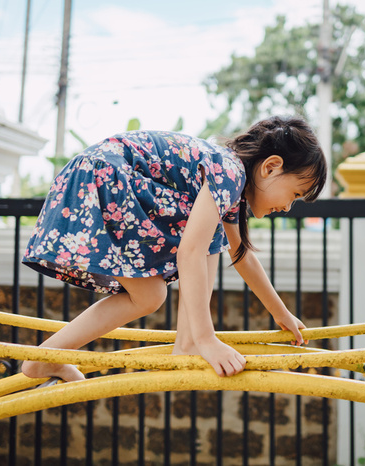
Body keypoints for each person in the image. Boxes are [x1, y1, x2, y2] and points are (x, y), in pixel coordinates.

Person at [20, 115, 327, 382]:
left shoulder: (230, 182)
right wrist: (208, 339)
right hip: (107, 176)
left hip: (105, 176)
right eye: (295, 193)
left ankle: (184, 342)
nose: (287, 207)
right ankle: (193, 340)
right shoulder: (230, 172)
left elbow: (242, 256)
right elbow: (189, 252)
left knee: (181, 266)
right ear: (271, 167)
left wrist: (281, 313)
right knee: (171, 274)